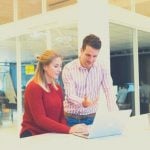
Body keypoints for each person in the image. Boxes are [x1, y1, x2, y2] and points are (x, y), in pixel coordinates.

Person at [20, 50, 87, 138]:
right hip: (33, 134)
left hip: (51, 133)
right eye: (56, 66)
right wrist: (68, 129)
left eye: (60, 66)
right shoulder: (33, 87)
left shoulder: (57, 88)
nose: (60, 70)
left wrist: (66, 132)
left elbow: (61, 116)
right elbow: (40, 119)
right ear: (45, 66)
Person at [62, 34, 119, 126]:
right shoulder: (68, 68)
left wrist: (115, 116)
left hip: (91, 118)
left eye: (95, 56)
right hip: (70, 118)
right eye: (88, 55)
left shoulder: (102, 67)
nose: (91, 60)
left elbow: (109, 91)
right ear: (81, 51)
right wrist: (83, 102)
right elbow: (70, 95)